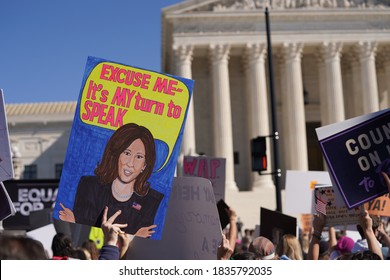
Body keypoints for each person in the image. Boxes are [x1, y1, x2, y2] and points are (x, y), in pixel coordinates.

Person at [59, 123, 164, 237]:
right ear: (116, 154)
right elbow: (84, 237)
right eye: (127, 153)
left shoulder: (151, 201)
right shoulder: (89, 187)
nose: (130, 163)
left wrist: (136, 239)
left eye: (139, 157)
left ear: (145, 164)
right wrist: (74, 224)